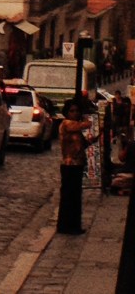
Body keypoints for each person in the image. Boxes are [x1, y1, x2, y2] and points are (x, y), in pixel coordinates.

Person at [57, 100, 94, 235]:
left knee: (75, 196)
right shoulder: (66, 124)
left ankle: (74, 225)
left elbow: (83, 144)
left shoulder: (76, 130)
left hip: (78, 164)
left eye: (77, 110)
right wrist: (89, 121)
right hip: (68, 164)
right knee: (68, 196)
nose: (75, 113)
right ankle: (65, 225)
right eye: (72, 111)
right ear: (67, 112)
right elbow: (82, 125)